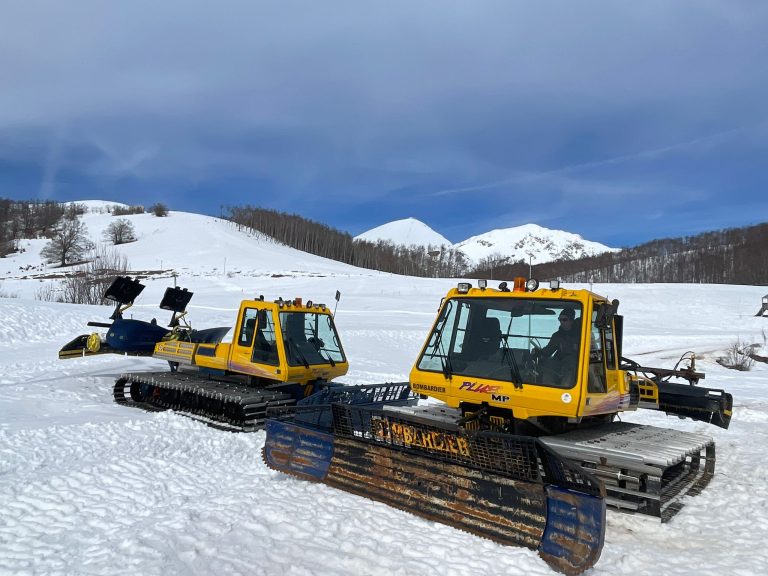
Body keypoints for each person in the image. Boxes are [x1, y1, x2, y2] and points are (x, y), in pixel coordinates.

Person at [534, 308, 580, 386]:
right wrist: (538, 352)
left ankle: (566, 389)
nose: (561, 322)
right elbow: (549, 350)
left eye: (564, 319)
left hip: (575, 362)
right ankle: (547, 388)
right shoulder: (557, 335)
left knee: (571, 366)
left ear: (571, 321)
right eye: (560, 319)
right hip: (560, 360)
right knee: (548, 364)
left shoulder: (580, 335)